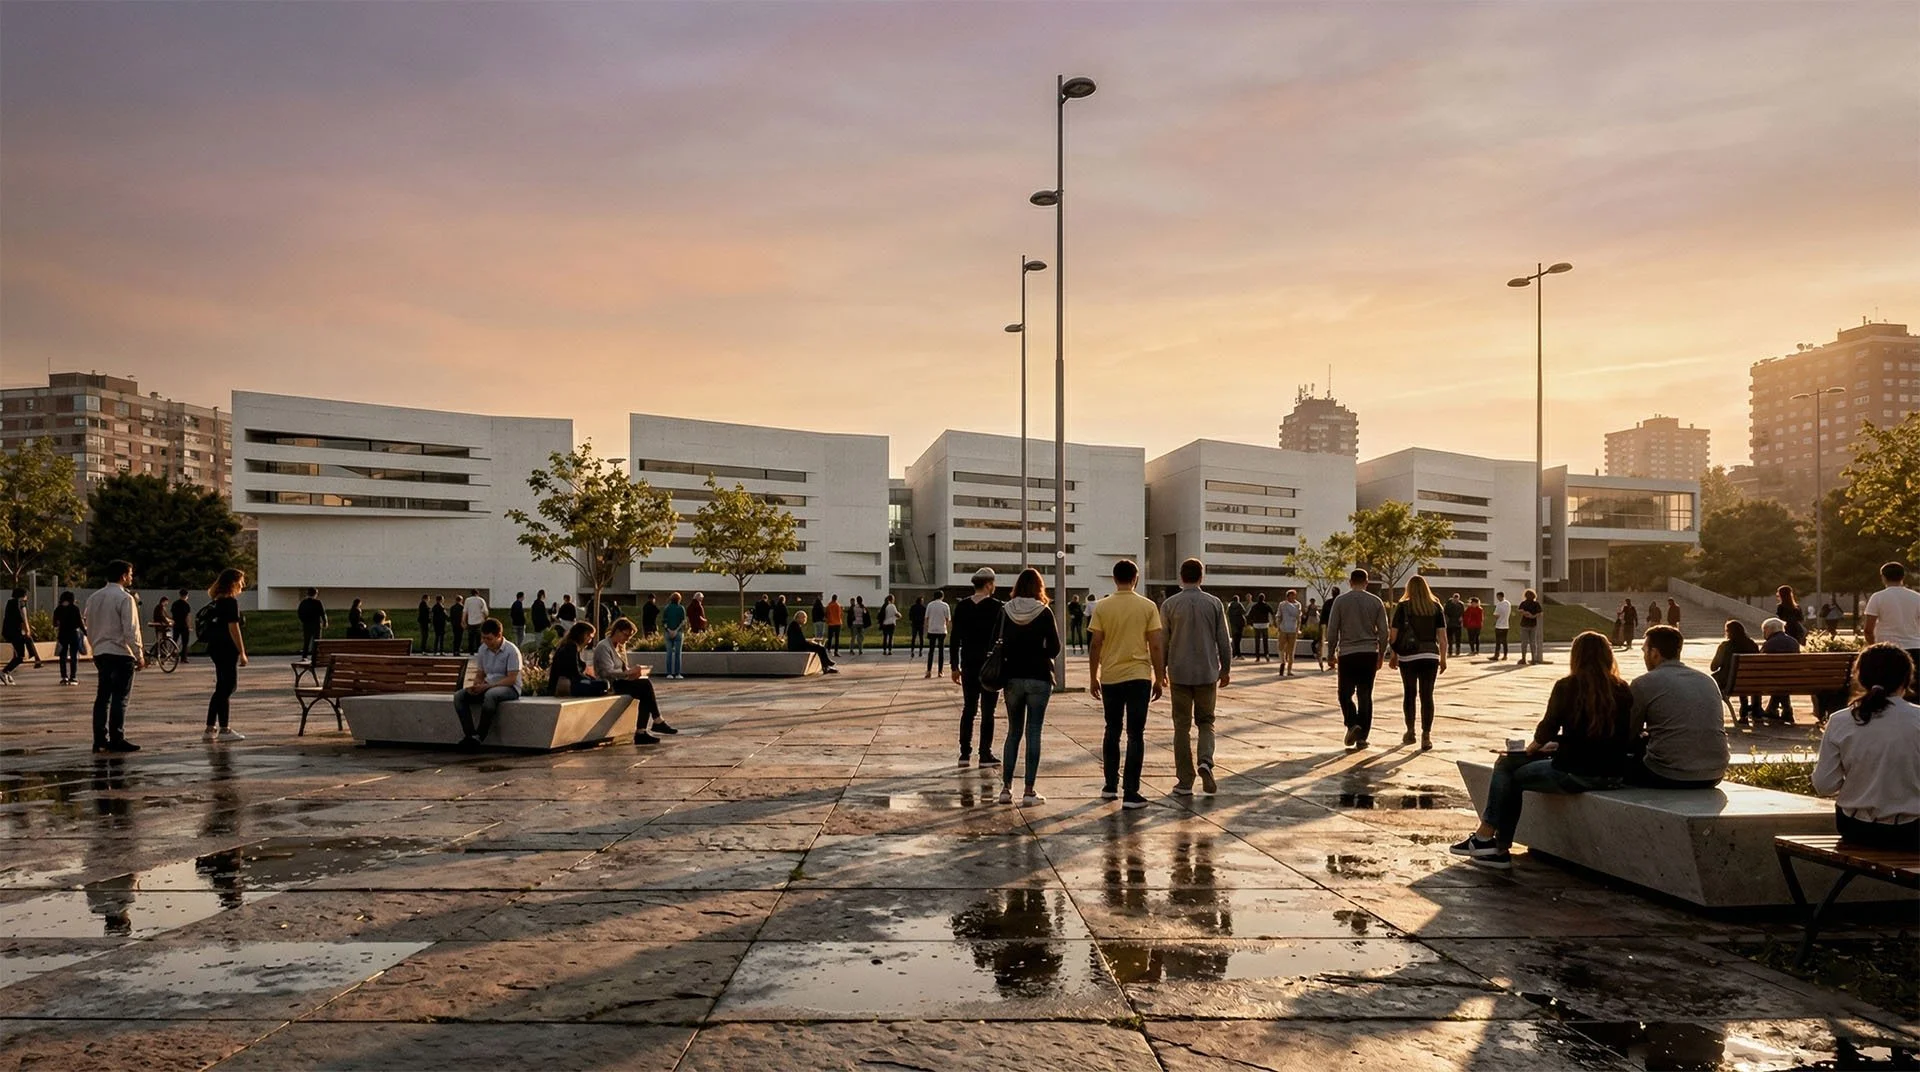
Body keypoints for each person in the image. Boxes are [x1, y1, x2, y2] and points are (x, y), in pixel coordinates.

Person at [1449, 631, 1635, 870]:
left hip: (1574, 772)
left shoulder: (1567, 686)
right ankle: (1491, 845)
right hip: (1612, 772)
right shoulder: (1622, 689)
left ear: (1576, 657)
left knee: (1508, 768)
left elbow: (1546, 729)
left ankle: (1490, 841)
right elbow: (1615, 734)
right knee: (1512, 770)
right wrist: (1560, 743)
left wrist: (1530, 751)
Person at [1812, 645, 1919, 851]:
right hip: (1912, 831)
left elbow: (1824, 785)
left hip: (1856, 829)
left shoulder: (1840, 720)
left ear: (1861, 678)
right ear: (1907, 679)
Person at [1088, 560, 1166, 809]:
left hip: (1111, 676)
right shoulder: (1147, 606)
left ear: (1114, 579)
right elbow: (1155, 644)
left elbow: (1096, 644)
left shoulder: (1102, 607)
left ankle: (1110, 785)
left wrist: (1093, 676)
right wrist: (1160, 675)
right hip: (1138, 676)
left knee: (1112, 729)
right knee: (1135, 734)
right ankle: (1131, 791)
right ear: (1136, 578)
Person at [1626, 625, 1729, 789]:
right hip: (1714, 773)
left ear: (1654, 653)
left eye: (1645, 651)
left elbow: (1628, 732)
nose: (1644, 656)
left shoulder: (1644, 682)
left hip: (1666, 774)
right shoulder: (1707, 680)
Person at [1162, 558, 1232, 797]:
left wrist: (1159, 671)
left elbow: (1163, 641)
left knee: (1181, 726)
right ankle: (1205, 761)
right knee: (1206, 721)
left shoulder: (1170, 605)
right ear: (1201, 577)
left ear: (1181, 577)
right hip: (1207, 672)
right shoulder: (1214, 603)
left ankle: (1184, 779)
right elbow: (1224, 639)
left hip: (1179, 673)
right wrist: (1226, 669)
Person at [995, 568, 1062, 806]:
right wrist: (1039, 652)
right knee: (1034, 732)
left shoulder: (1005, 611)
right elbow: (1055, 647)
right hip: (1039, 677)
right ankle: (1029, 791)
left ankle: (1005, 789)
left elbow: (996, 642)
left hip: (1012, 678)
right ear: (1038, 587)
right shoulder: (1043, 612)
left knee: (1013, 733)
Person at [83, 560, 144, 753]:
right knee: (120, 698)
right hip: (120, 653)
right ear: (123, 576)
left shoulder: (93, 598)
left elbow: (89, 625)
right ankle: (117, 737)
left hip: (101, 652)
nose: (132, 577)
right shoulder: (125, 599)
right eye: (130, 574)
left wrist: (95, 647)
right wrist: (139, 654)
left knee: (102, 698)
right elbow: (131, 630)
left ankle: (99, 739)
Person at [1328, 569, 1389, 749]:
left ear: (1350, 582)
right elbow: (1384, 631)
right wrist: (1381, 654)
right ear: (1367, 582)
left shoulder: (1340, 601)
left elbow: (1333, 630)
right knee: (1365, 695)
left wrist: (1330, 653)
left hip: (1347, 653)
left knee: (1344, 693)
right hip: (1368, 653)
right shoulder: (1376, 601)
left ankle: (1352, 722)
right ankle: (1362, 736)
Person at [949, 569, 1004, 768]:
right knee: (988, 711)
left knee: (969, 708)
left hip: (969, 663)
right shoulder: (998, 607)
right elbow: (1001, 638)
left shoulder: (962, 606)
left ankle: (964, 753)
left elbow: (955, 638)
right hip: (990, 665)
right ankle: (985, 753)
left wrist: (954, 666)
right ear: (989, 584)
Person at [592, 617, 677, 743]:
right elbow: (607, 672)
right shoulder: (604, 647)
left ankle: (645, 729)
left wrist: (633, 672)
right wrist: (629, 673)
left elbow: (623, 668)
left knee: (645, 688)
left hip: (620, 681)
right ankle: (653, 723)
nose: (627, 639)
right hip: (609, 683)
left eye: (629, 637)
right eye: (626, 635)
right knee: (645, 686)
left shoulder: (620, 646)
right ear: (617, 631)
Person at [1389, 575, 1448, 751]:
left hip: (1409, 656)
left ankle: (1410, 731)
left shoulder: (1403, 607)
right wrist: (1443, 658)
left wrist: (1394, 654)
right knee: (1427, 695)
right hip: (1430, 656)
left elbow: (1393, 634)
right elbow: (1442, 637)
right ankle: (1426, 735)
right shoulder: (1435, 607)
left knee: (1409, 694)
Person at [454, 618, 522, 750]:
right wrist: (476, 686)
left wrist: (487, 686)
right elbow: (480, 674)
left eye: (489, 639)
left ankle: (480, 735)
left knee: (491, 695)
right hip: (487, 685)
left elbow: (512, 678)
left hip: (509, 688)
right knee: (459, 696)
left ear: (499, 636)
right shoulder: (483, 649)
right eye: (483, 638)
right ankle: (470, 735)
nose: (486, 641)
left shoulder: (511, 651)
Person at [202, 568, 249, 742]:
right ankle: (224, 729)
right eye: (241, 581)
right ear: (233, 583)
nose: (242, 585)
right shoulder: (230, 602)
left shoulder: (216, 601)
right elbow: (233, 628)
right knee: (228, 687)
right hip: (226, 648)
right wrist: (242, 652)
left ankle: (211, 727)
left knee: (222, 688)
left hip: (215, 647)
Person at [1864, 562, 1920, 670]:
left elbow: (1868, 630)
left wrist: (1874, 646)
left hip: (1887, 649)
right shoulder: (1917, 597)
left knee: (1889, 684)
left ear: (1883, 577)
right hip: (1914, 648)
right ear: (1903, 576)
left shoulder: (1877, 597)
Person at [1710, 619, 1763, 727]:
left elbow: (1713, 667)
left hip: (1729, 682)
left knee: (1710, 682)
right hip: (1751, 682)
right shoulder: (1752, 644)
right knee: (1745, 678)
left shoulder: (1725, 646)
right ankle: (1754, 713)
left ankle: (1713, 716)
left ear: (1728, 632)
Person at [1760, 616, 1803, 723]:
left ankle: (1776, 709)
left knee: (1777, 679)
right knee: (1783, 679)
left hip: (1770, 680)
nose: (1764, 633)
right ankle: (1784, 710)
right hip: (1793, 680)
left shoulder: (1769, 644)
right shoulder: (1794, 642)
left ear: (1769, 630)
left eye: (1764, 630)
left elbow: (1761, 665)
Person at [1, 586, 39, 683]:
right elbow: (24, 617)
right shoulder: (21, 603)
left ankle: (36, 658)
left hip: (8, 632)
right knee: (20, 656)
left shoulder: (10, 603)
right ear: (23, 595)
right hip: (15, 632)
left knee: (18, 653)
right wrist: (28, 630)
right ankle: (5, 671)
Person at [53, 591, 85, 686]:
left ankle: (64, 677)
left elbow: (54, 624)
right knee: (73, 656)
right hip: (73, 634)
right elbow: (80, 622)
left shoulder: (58, 609)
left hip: (62, 634)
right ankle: (73, 677)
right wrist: (86, 632)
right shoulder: (75, 608)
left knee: (62, 656)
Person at [660, 592, 687, 680]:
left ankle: (669, 673)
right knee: (678, 654)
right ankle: (678, 673)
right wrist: (676, 630)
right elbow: (683, 622)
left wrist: (669, 630)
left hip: (668, 633)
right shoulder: (681, 608)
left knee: (669, 653)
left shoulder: (667, 608)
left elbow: (664, 621)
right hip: (678, 632)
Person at [924, 589, 951, 677]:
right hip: (941, 630)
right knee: (941, 651)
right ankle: (940, 671)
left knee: (931, 651)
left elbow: (926, 618)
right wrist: (945, 626)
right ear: (942, 596)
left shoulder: (930, 605)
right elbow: (947, 619)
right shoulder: (945, 605)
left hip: (932, 630)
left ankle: (928, 671)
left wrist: (927, 627)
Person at [1277, 591, 1303, 677]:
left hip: (1293, 630)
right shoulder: (1282, 605)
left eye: (1294, 596)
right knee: (1281, 647)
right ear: (1287, 596)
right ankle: (1282, 662)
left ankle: (1289, 669)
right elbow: (1279, 616)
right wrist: (1278, 626)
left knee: (1291, 650)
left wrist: (1298, 628)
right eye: (1291, 596)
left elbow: (1299, 618)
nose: (1292, 597)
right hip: (1283, 629)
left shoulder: (1298, 605)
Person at [1516, 589, 1545, 666]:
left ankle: (1523, 658)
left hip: (1524, 624)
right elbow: (1540, 613)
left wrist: (1525, 613)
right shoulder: (1536, 604)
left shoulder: (1523, 603)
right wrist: (1533, 616)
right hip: (1533, 624)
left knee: (1524, 643)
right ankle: (1533, 659)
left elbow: (1519, 610)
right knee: (1533, 642)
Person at [295, 587, 327, 657]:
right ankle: (315, 657)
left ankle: (304, 656)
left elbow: (299, 613)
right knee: (316, 642)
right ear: (315, 594)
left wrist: (303, 620)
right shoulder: (318, 602)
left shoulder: (304, 603)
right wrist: (325, 622)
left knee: (306, 642)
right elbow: (323, 613)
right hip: (316, 625)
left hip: (307, 625)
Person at [1247, 592, 1273, 662]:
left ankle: (1257, 656)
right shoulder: (1266, 605)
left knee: (1257, 641)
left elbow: (1250, 615)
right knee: (1265, 641)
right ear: (1264, 598)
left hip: (1256, 625)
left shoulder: (1254, 606)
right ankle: (1266, 654)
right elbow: (1272, 612)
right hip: (1265, 624)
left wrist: (1251, 623)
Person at [170, 589, 192, 664]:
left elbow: (172, 615)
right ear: (186, 595)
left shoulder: (175, 604)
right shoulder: (186, 605)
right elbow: (187, 617)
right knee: (185, 642)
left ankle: (172, 655)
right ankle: (183, 658)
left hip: (176, 625)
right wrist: (188, 626)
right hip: (184, 625)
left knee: (174, 641)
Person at [1444, 592, 1466, 658]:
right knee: (1450, 638)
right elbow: (1445, 612)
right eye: (1455, 598)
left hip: (1457, 624)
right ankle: (1450, 651)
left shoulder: (1461, 604)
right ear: (1453, 597)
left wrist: (1461, 618)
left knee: (1458, 638)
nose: (1456, 600)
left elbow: (1463, 613)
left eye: (1457, 599)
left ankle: (1457, 650)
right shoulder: (1448, 604)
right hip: (1450, 623)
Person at [1491, 591, 1512, 662]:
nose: (1497, 598)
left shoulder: (1499, 604)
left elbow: (1496, 615)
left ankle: (1496, 655)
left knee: (1498, 641)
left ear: (1500, 596)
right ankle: (1505, 655)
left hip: (1499, 625)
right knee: (1504, 641)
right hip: (1506, 625)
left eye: (1497, 597)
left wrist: (1494, 621)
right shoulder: (1508, 603)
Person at [1226, 595, 1247, 661]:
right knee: (1238, 639)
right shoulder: (1239, 604)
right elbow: (1244, 612)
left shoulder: (1230, 606)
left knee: (1235, 640)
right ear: (1238, 599)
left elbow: (1227, 613)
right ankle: (1238, 654)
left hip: (1233, 624)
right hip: (1240, 624)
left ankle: (1235, 654)